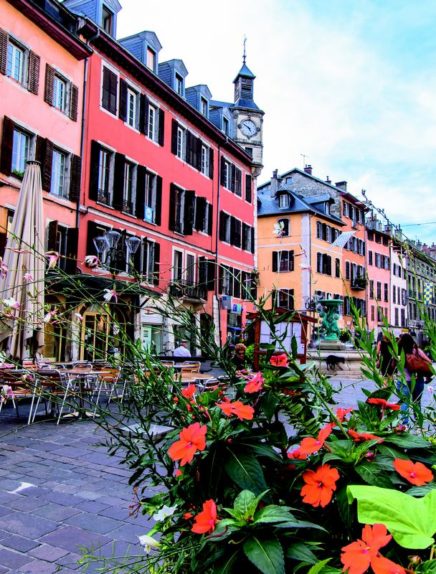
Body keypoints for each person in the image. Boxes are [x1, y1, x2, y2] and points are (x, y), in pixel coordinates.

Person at [397, 333, 432, 407]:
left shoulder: (398, 352)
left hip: (403, 380)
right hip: (417, 379)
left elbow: (393, 365)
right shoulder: (417, 351)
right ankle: (417, 419)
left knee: (404, 403)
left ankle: (404, 419)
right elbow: (429, 362)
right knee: (417, 403)